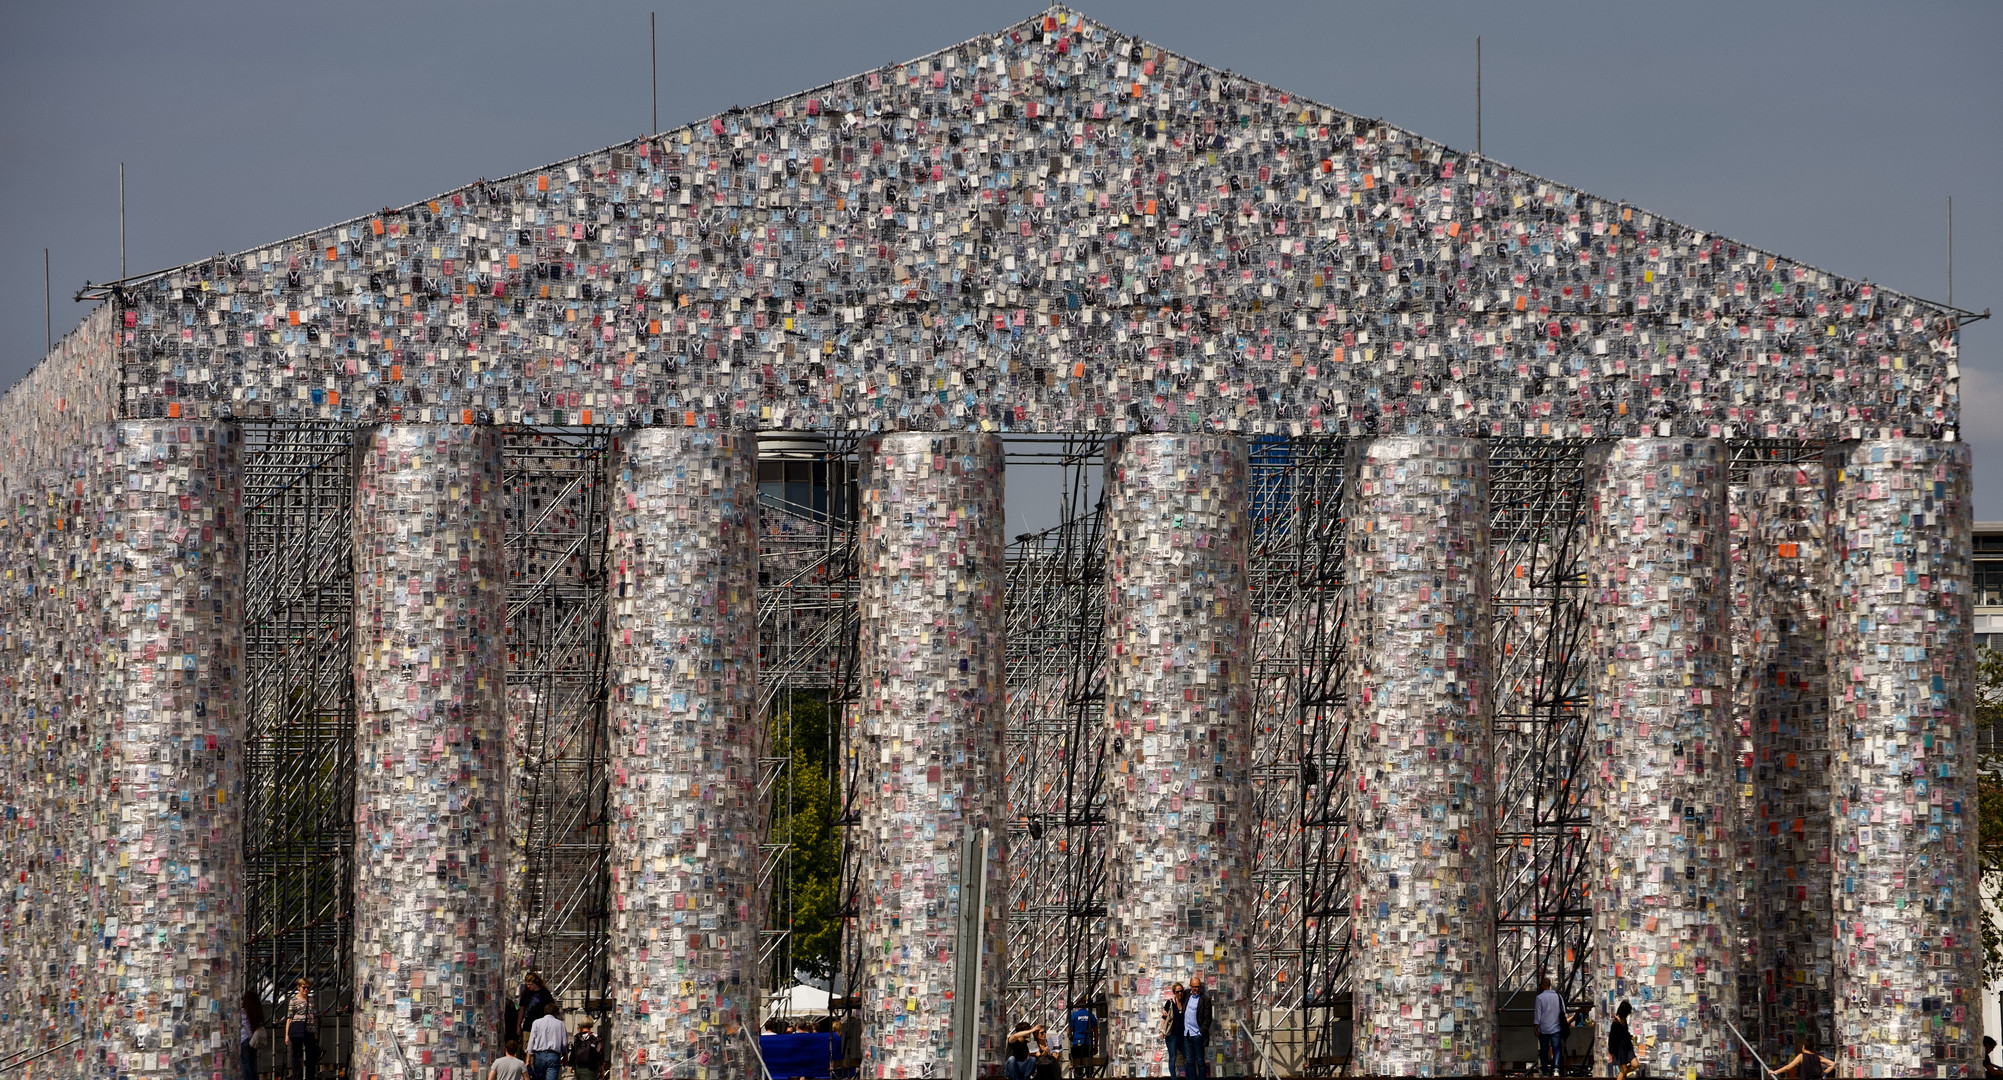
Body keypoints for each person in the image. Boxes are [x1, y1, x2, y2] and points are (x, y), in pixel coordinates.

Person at [284, 978, 318, 1080]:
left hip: (310, 1030)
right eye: (304, 987)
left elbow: (313, 1016)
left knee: (311, 1056)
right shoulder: (293, 1000)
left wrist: (315, 1031)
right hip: (298, 1029)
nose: (306, 990)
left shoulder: (311, 999)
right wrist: (287, 1034)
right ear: (299, 987)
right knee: (297, 1056)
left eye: (308, 988)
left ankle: (310, 1076)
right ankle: (297, 1076)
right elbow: (289, 1018)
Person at [1183, 976, 1214, 1080]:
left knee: (1200, 1061)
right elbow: (1176, 997)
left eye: (1197, 987)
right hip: (1187, 1034)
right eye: (1193, 987)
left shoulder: (1205, 1000)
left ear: (1200, 987)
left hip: (1197, 1035)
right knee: (1189, 1061)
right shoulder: (1187, 994)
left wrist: (1200, 1032)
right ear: (1190, 986)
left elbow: (1208, 1019)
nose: (1195, 989)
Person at [526, 1004, 569, 1080]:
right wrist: (565, 1055)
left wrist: (528, 1058)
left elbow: (531, 1041)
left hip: (539, 1055)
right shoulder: (560, 1024)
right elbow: (565, 1043)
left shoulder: (536, 1023)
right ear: (555, 1013)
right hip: (554, 1055)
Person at [1532, 976, 1563, 1077]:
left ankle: (1545, 1069)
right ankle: (1556, 1069)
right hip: (1556, 1027)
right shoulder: (1558, 996)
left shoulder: (1539, 998)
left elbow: (1538, 1014)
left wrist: (1536, 1026)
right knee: (1556, 1049)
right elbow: (1563, 1011)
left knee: (1544, 1050)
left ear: (1542, 986)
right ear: (1550, 985)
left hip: (1544, 1028)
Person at [1160, 983, 1186, 1078]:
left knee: (1188, 1056)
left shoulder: (1185, 1002)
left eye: (1181, 991)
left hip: (1183, 1035)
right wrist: (1161, 1030)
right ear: (1174, 992)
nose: (1180, 993)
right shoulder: (1170, 1002)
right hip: (1172, 1035)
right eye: (1177, 991)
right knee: (1172, 1058)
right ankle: (1174, 1078)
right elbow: (1164, 1017)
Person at [517, 972, 555, 1038]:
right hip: (528, 1026)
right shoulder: (525, 994)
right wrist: (518, 1025)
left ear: (536, 983)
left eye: (531, 984)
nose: (528, 986)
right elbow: (521, 1010)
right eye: (527, 984)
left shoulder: (545, 993)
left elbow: (551, 1009)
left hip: (542, 1026)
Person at [1606, 1000, 1637, 1080]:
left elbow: (1625, 1033)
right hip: (1619, 1050)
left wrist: (1630, 1036)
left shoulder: (1624, 1020)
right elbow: (1612, 1038)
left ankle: (1621, 1075)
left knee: (1635, 1064)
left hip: (1627, 1047)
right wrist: (1612, 1052)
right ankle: (1621, 1075)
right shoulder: (1616, 1023)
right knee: (1623, 1071)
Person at [240, 991, 267, 1080]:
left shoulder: (243, 1012)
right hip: (254, 1039)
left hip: (244, 1039)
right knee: (253, 1063)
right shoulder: (258, 1012)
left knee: (245, 1063)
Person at [1067, 997, 1097, 1062]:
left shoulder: (1074, 1015)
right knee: (1088, 1065)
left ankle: (1078, 1071)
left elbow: (1068, 1031)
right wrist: (1096, 1046)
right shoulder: (1091, 1015)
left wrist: (1072, 1038)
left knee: (1077, 1065)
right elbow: (1096, 1032)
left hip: (1076, 1043)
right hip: (1088, 1044)